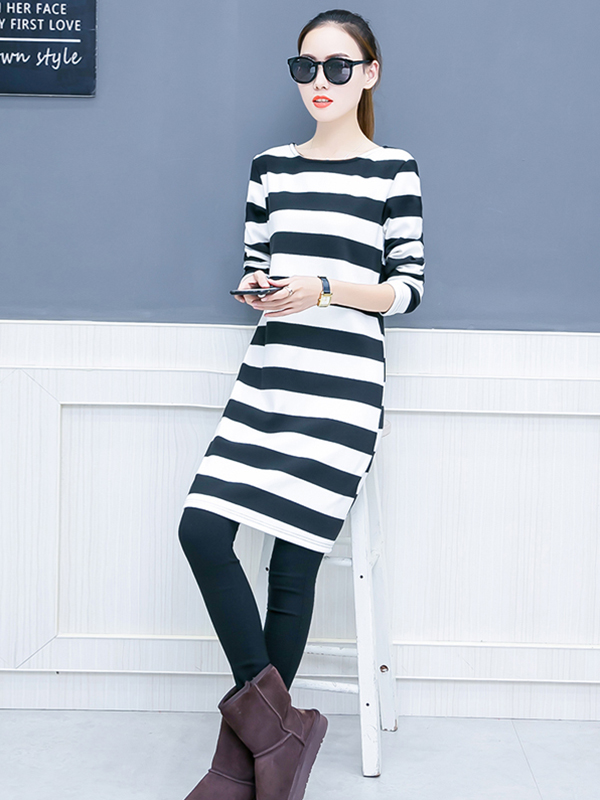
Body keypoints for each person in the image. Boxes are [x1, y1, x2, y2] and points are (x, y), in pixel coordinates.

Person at [177, 9, 425, 800]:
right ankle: (280, 736)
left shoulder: (393, 171)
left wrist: (324, 288)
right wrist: (259, 287)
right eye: (306, 67)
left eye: (338, 67)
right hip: (270, 374)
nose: (320, 81)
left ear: (370, 73)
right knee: (201, 529)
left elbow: (406, 290)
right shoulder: (271, 168)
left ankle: (241, 761)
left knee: (292, 565)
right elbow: (258, 264)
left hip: (344, 384)